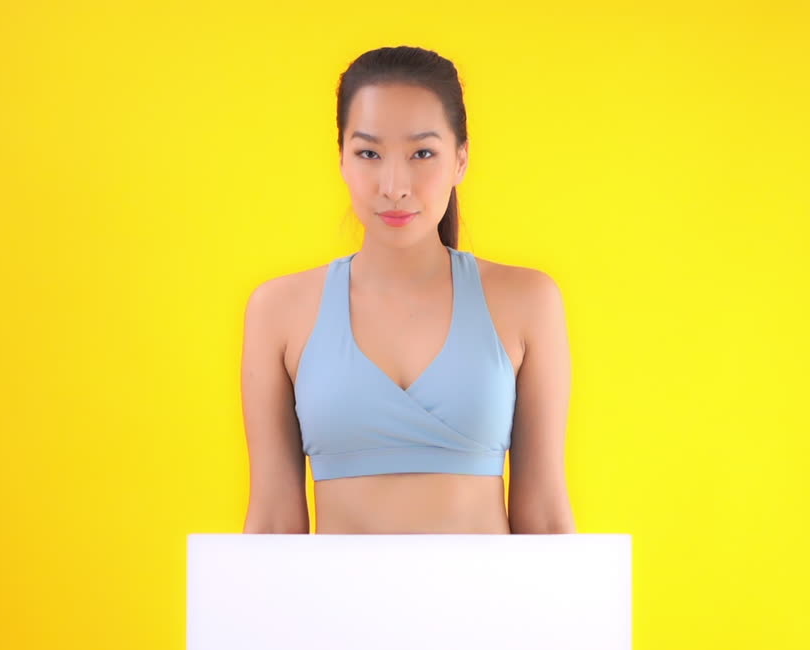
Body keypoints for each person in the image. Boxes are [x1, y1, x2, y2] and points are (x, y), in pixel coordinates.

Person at [241, 46, 575, 535]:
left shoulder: (528, 301)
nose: (394, 185)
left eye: (422, 153)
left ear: (461, 159)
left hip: (488, 610)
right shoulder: (279, 310)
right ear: (341, 160)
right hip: (332, 611)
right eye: (369, 153)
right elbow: (273, 522)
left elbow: (543, 516)